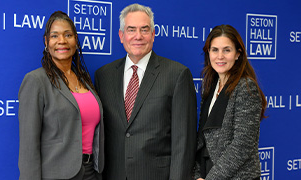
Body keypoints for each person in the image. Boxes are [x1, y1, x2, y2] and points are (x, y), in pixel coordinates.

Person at [94, 3, 197, 180]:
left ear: (153, 34)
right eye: (131, 30)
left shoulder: (177, 74)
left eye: (144, 29)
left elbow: (184, 143)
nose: (138, 36)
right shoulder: (104, 75)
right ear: (121, 35)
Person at [18, 11, 104, 180]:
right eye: (54, 36)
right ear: (46, 42)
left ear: (76, 40)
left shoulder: (85, 80)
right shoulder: (36, 81)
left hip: (91, 172)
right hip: (56, 174)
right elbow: (29, 147)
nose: (62, 41)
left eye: (68, 35)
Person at [194, 24, 267, 180]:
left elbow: (243, 145)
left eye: (227, 50)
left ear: (237, 54)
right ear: (208, 53)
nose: (220, 56)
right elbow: (202, 138)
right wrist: (197, 175)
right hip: (208, 173)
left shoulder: (246, 87)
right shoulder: (210, 86)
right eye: (215, 50)